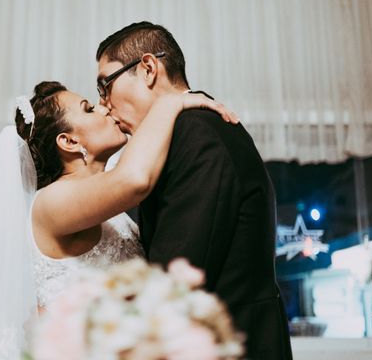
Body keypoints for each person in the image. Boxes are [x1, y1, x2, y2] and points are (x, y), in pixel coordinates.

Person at [0, 82, 236, 359]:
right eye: (88, 109)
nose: (103, 108)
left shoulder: (105, 206)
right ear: (69, 141)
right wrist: (169, 102)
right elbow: (135, 179)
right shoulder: (50, 202)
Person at [96, 21, 293, 360]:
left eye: (105, 85)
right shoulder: (186, 131)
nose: (103, 105)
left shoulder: (197, 133)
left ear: (147, 68)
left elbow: (178, 273)